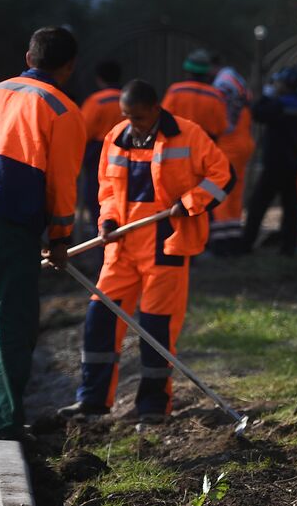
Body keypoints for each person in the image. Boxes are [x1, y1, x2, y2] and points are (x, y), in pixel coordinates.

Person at [60, 80, 232, 423]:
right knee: (100, 320)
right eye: (126, 115)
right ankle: (93, 400)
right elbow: (106, 188)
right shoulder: (117, 136)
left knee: (157, 328)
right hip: (121, 248)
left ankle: (153, 407)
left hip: (166, 244)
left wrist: (190, 203)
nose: (131, 122)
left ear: (155, 109)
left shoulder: (189, 134)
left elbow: (222, 176)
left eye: (137, 116)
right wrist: (107, 219)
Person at [0, 26, 86, 440]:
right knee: (12, 318)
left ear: (29, 58)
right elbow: (63, 181)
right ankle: (4, 421)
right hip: (9, 215)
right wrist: (61, 236)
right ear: (68, 68)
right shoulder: (63, 110)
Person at [239, 68, 297, 257]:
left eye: (278, 83)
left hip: (275, 163)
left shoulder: (280, 105)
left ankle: (246, 244)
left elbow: (258, 114)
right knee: (290, 207)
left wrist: (266, 95)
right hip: (294, 162)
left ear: (285, 85)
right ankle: (289, 248)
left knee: (258, 204)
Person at [210, 66, 255, 255]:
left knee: (220, 191)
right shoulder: (237, 79)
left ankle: (221, 242)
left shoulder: (222, 84)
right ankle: (234, 237)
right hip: (244, 141)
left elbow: (220, 116)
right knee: (236, 191)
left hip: (229, 144)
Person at [79, 59, 123, 230]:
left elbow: (83, 132)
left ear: (99, 79)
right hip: (129, 155)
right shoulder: (130, 98)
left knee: (100, 202)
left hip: (99, 158)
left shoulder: (96, 101)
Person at [161, 49, 228, 140]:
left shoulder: (175, 91)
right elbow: (222, 127)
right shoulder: (216, 96)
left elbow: (163, 119)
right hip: (205, 146)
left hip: (178, 145)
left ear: (187, 70)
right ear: (207, 72)